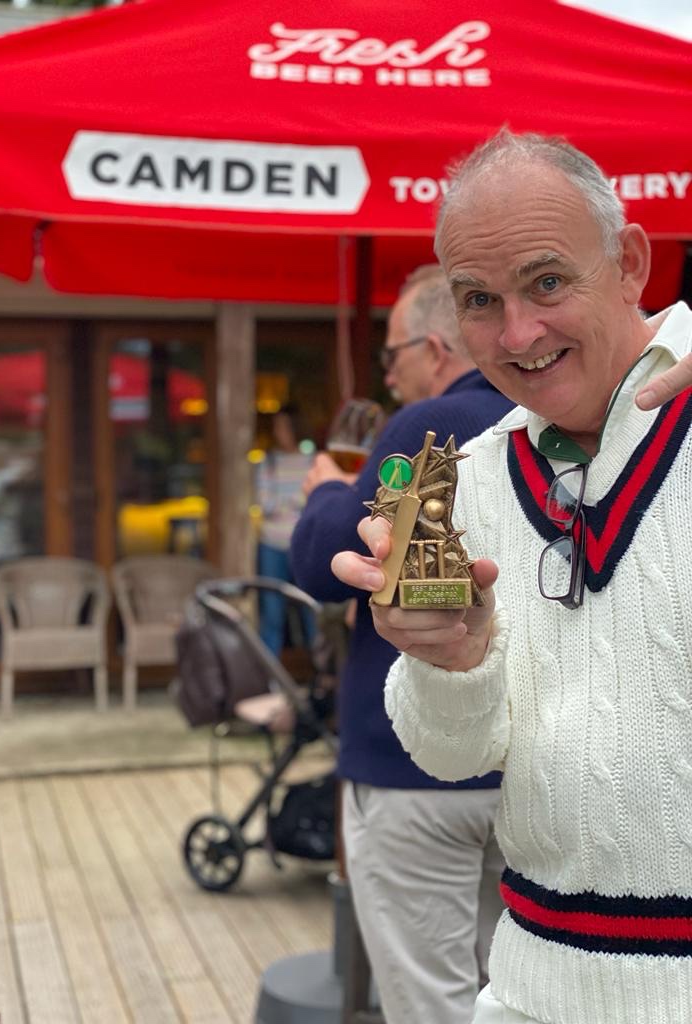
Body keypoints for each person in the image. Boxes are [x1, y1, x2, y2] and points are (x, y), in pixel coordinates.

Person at [331, 129, 692, 1024]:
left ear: (630, 263)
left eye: (548, 282)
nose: (518, 333)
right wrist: (449, 665)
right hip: (534, 988)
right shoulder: (476, 475)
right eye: (479, 300)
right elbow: (454, 756)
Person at [291, 266, 514, 1024]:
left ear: (436, 348)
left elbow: (320, 561)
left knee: (428, 1001)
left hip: (409, 763)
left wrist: (326, 488)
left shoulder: (430, 424)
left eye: (391, 356)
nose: (387, 375)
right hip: (524, 762)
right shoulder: (558, 416)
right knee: (513, 993)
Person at [255, 405, 314, 655]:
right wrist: (297, 500)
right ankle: (270, 675)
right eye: (276, 427)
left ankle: (323, 671)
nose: (279, 432)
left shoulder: (313, 461)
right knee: (272, 614)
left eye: (283, 426)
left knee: (311, 611)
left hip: (304, 545)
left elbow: (316, 501)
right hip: (271, 545)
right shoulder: (267, 462)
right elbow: (264, 504)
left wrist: (285, 501)